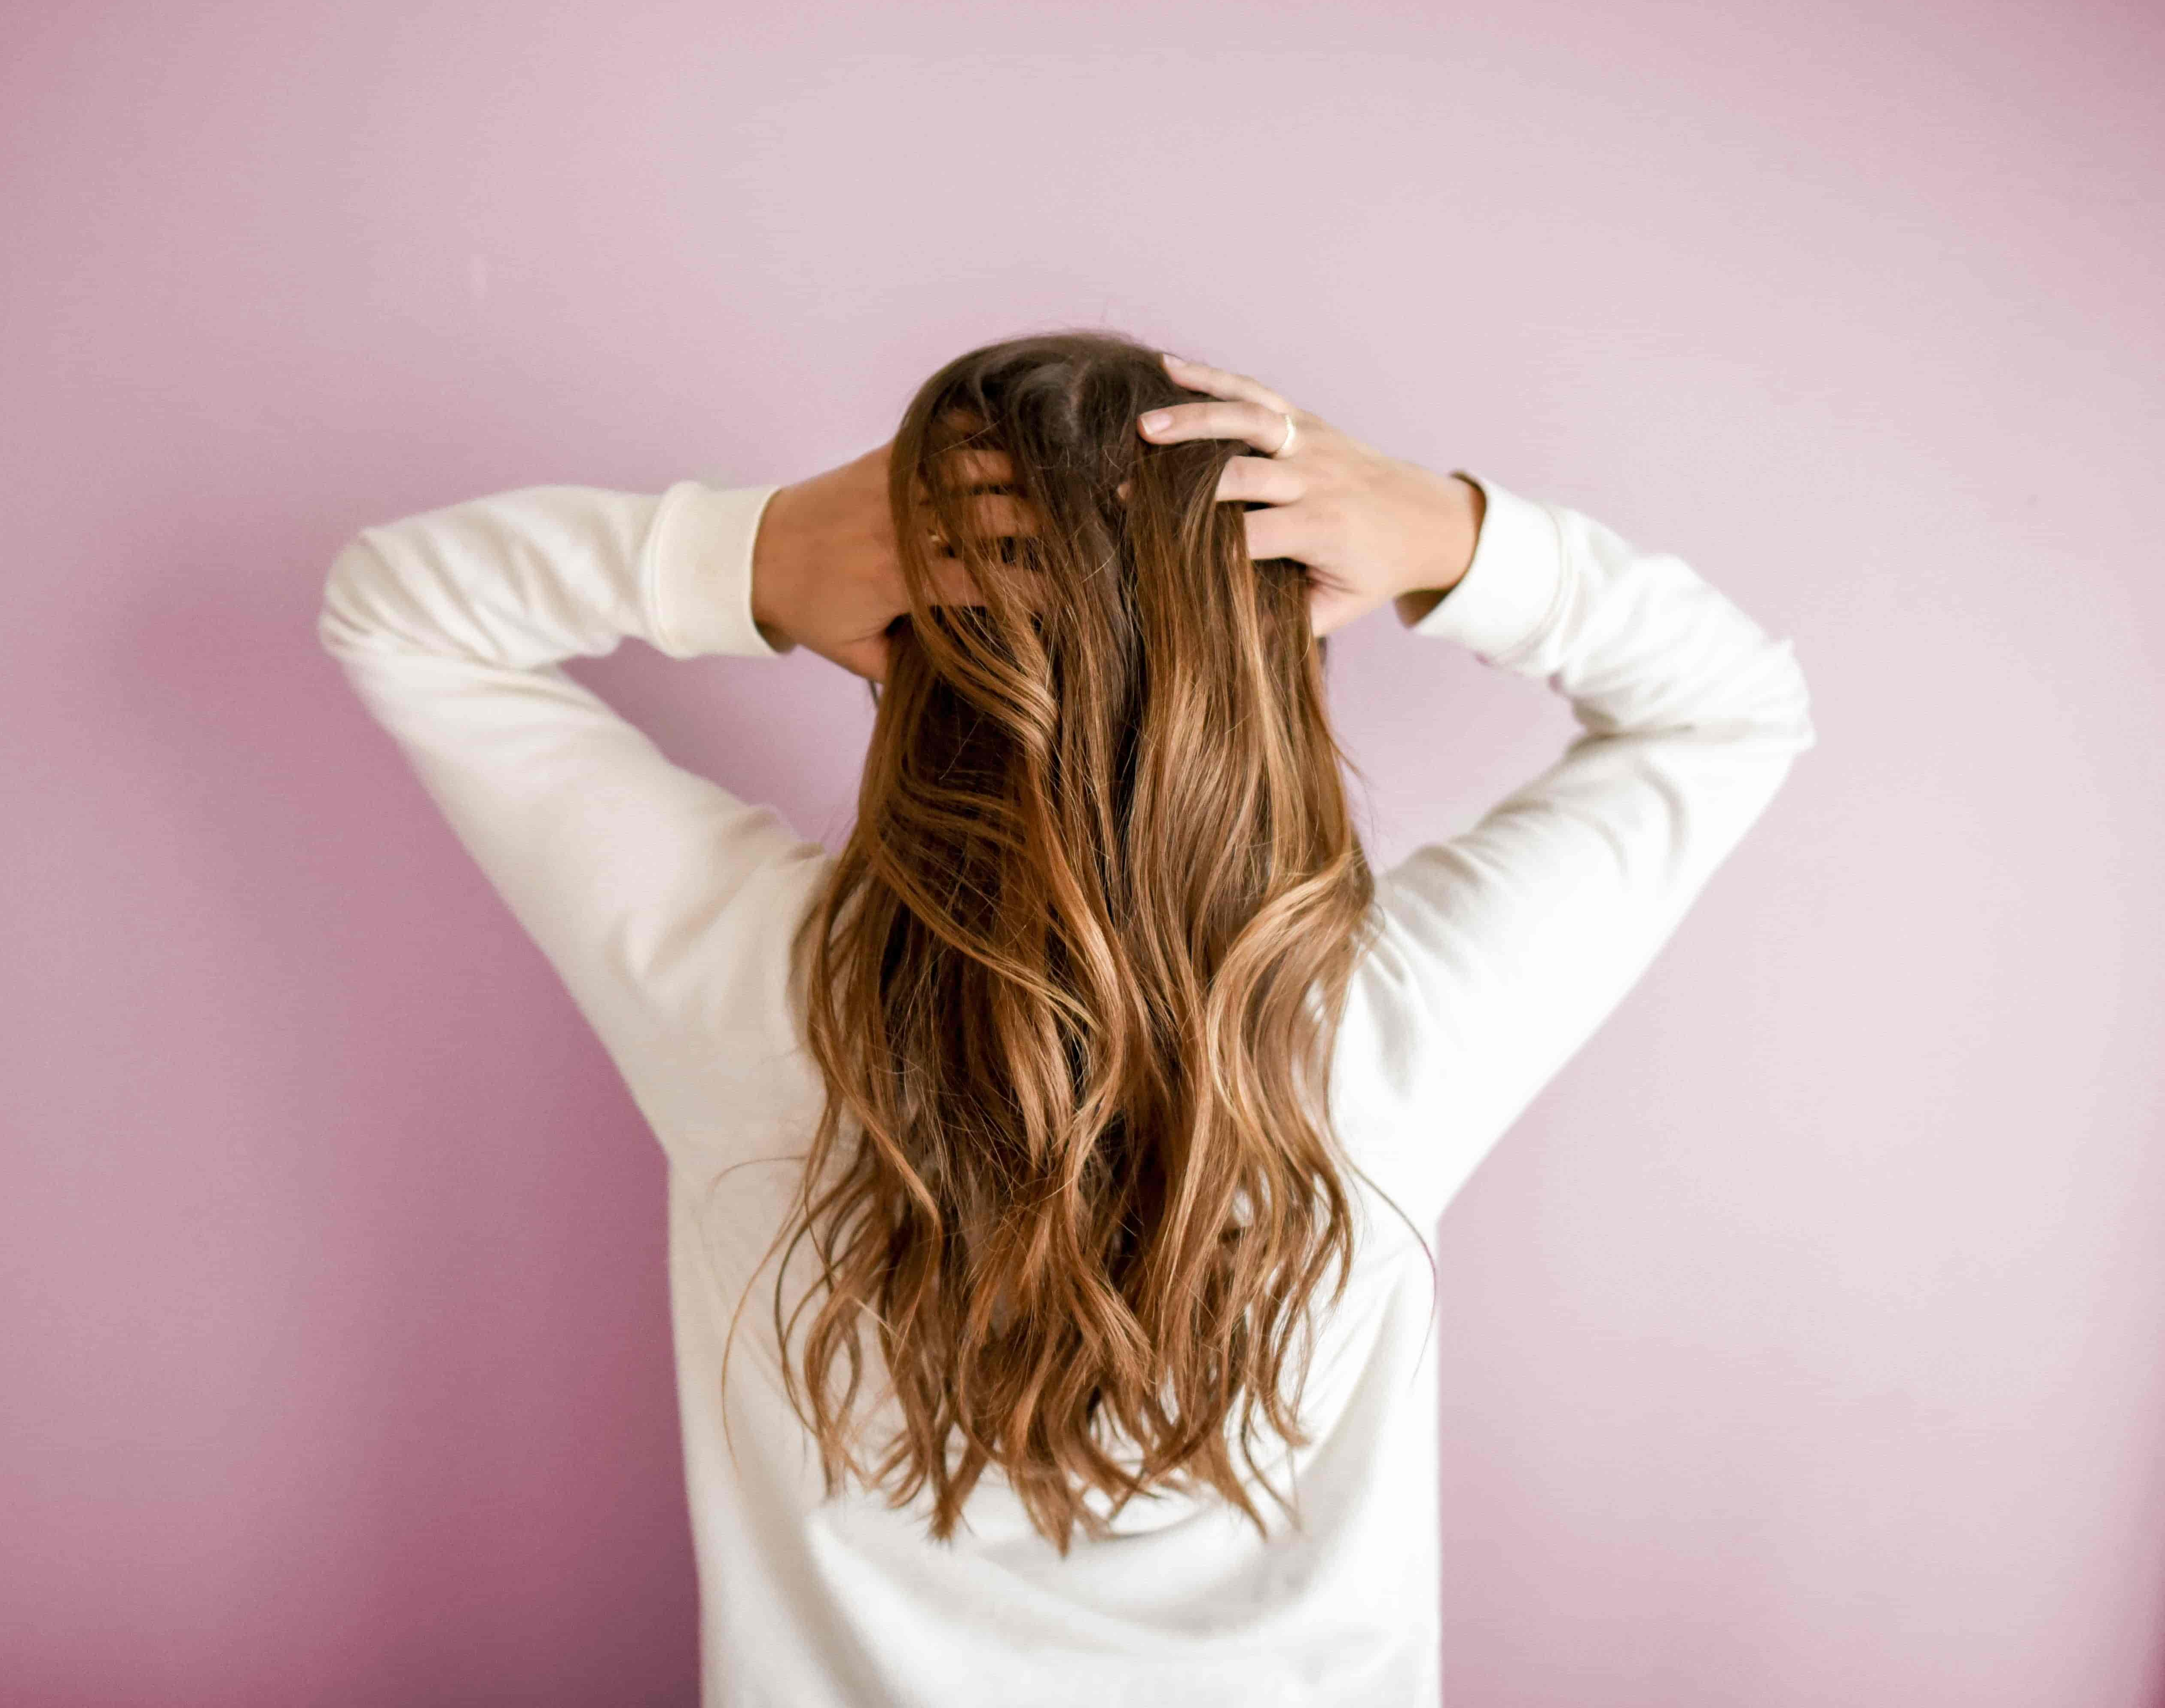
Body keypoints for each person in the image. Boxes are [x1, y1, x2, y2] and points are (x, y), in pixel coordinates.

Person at [316, 331, 1815, 1706]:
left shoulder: (757, 995)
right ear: (1284, 661)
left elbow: (399, 611)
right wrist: (1448, 536)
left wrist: (753, 552)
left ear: (900, 644)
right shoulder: (1386, 1031)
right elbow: (1733, 706)